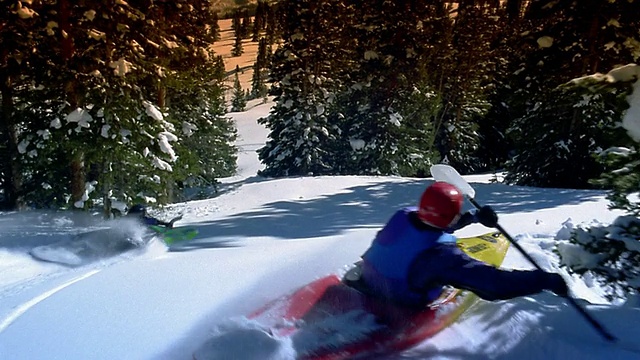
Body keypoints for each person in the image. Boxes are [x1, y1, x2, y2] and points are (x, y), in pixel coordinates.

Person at [358, 181, 568, 308]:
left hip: (367, 278)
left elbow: (434, 221)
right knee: (452, 275)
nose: (458, 216)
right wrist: (543, 280)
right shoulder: (443, 257)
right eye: (456, 213)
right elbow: (494, 285)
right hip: (400, 300)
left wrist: (474, 217)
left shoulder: (405, 215)